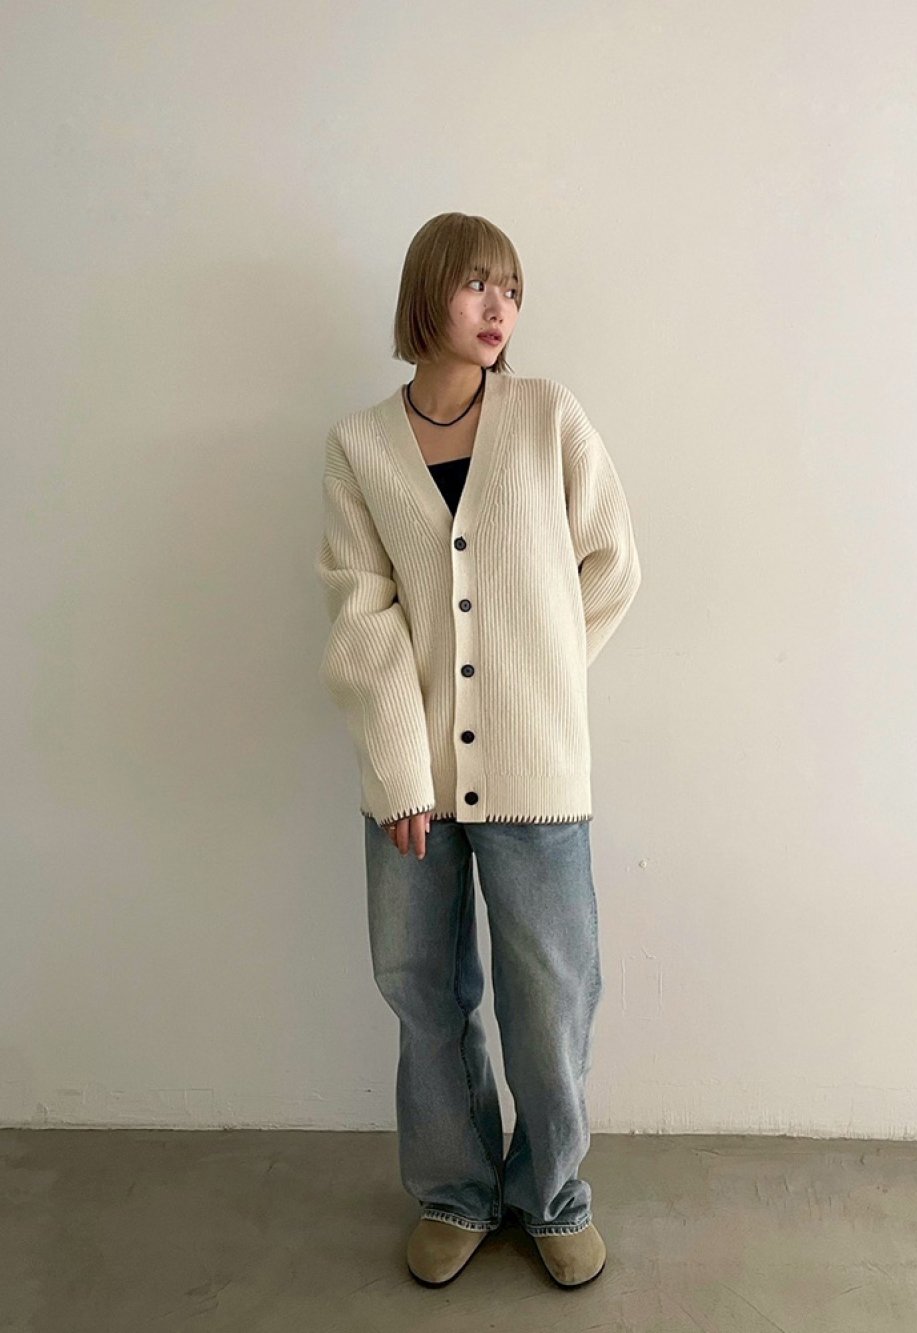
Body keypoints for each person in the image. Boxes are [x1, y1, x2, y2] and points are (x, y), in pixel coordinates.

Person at [315, 211, 641, 1288]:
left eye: (510, 288)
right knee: (423, 991)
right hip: (409, 779)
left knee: (551, 996)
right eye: (474, 285)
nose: (499, 307)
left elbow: (611, 562)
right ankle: (455, 1189)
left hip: (538, 775)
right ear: (427, 295)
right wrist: (400, 769)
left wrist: (536, 687)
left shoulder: (548, 417)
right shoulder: (361, 447)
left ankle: (550, 1194)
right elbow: (362, 618)